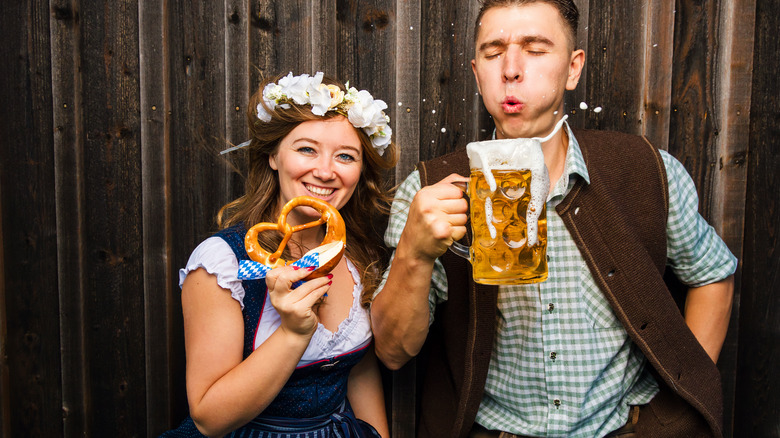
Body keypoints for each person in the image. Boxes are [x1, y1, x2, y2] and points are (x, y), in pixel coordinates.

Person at [370, 1, 737, 437]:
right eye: (493, 52)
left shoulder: (645, 170)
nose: (511, 68)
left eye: (535, 48)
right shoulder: (427, 190)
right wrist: (414, 251)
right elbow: (393, 353)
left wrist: (678, 402)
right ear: (476, 72)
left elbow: (713, 274)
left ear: (573, 68)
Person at [162, 72, 397, 437]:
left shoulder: (355, 253)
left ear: (360, 169)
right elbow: (209, 418)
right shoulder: (224, 263)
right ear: (273, 155)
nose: (324, 171)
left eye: (346, 156)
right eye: (306, 149)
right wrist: (293, 332)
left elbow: (358, 368)